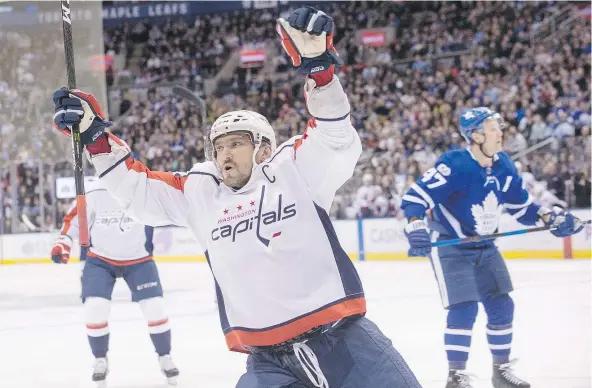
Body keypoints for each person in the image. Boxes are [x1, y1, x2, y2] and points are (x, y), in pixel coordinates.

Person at [51, 7, 421, 388]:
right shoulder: (200, 192)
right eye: (218, 147)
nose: (224, 154)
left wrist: (320, 71)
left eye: (236, 143)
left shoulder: (294, 169)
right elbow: (139, 190)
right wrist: (95, 138)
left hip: (345, 341)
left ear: (263, 148)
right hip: (268, 363)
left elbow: (336, 139)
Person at [401, 107, 585, 388]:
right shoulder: (455, 164)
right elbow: (415, 198)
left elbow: (521, 207)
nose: (500, 132)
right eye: (492, 128)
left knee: (502, 305)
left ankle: (500, 371)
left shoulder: (504, 166)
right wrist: (416, 228)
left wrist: (552, 217)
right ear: (475, 135)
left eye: (498, 127)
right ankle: (456, 377)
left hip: (486, 247)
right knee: (464, 309)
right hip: (453, 249)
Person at [50, 179, 179, 387]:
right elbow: (74, 219)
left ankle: (165, 356)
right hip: (100, 259)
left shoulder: (142, 186)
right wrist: (63, 241)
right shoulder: (93, 190)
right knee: (95, 308)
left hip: (139, 258)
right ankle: (100, 359)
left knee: (155, 308)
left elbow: (170, 205)